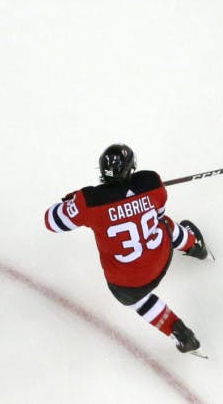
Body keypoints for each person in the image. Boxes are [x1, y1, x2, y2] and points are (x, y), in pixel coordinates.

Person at [44, 143, 208, 355]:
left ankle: (177, 330)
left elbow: (51, 221)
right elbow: (157, 214)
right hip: (161, 259)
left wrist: (73, 202)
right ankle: (194, 246)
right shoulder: (151, 182)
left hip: (125, 283)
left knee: (136, 299)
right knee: (164, 224)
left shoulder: (89, 201)